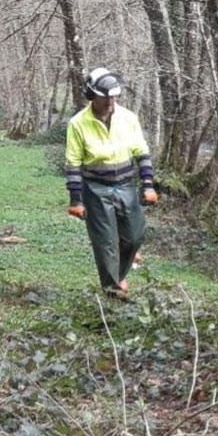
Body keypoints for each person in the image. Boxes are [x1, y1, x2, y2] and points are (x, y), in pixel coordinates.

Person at [64, 67, 158, 300]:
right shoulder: (78, 123)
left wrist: (148, 184)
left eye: (113, 97)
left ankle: (118, 273)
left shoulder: (128, 118)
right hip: (95, 187)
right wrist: (76, 199)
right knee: (105, 241)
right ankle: (113, 290)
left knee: (134, 236)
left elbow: (142, 152)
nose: (109, 101)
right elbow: (73, 163)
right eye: (104, 97)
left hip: (126, 182)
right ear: (91, 96)